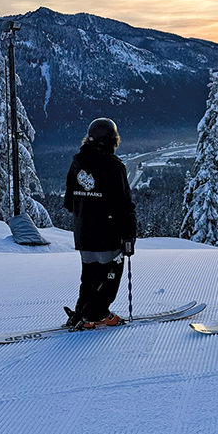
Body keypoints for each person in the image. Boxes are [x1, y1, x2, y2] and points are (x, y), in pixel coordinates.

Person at [64, 118, 136, 329]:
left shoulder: (77, 163)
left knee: (90, 276)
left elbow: (69, 202)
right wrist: (129, 235)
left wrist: (87, 210)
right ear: (112, 140)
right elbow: (124, 205)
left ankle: (82, 312)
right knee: (110, 276)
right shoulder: (114, 166)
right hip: (108, 234)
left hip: (83, 233)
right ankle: (97, 313)